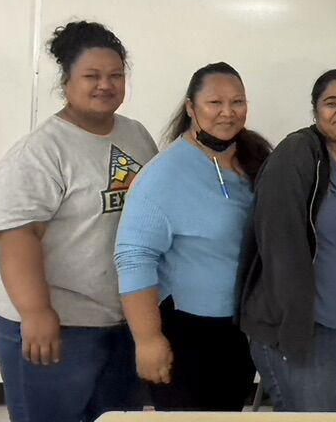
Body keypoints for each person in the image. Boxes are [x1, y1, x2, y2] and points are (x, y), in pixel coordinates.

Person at [0, 21, 158, 422]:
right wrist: (37, 313)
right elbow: (16, 236)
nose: (105, 85)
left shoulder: (135, 135)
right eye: (91, 76)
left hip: (118, 322)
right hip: (57, 327)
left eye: (115, 76)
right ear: (65, 82)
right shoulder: (43, 150)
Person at [114, 62, 271, 411]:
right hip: (185, 334)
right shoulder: (165, 174)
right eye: (215, 103)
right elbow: (134, 257)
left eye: (238, 102)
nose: (228, 113)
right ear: (190, 108)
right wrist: (148, 339)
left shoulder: (254, 158)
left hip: (238, 330)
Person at [239, 69, 336, 412]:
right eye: (331, 103)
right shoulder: (297, 154)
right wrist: (293, 326)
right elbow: (278, 245)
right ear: (316, 110)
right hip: (306, 330)